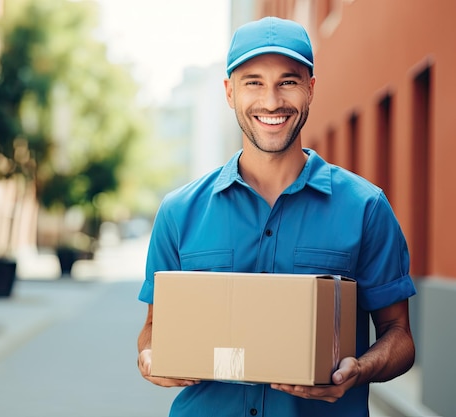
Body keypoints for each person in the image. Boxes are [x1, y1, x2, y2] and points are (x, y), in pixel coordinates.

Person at [136, 16, 416, 417]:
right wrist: (149, 357)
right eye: (253, 82)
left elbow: (399, 336)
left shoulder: (365, 208)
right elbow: (152, 329)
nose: (271, 102)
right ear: (229, 92)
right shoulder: (179, 212)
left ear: (311, 89)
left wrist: (361, 369)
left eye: (288, 81)